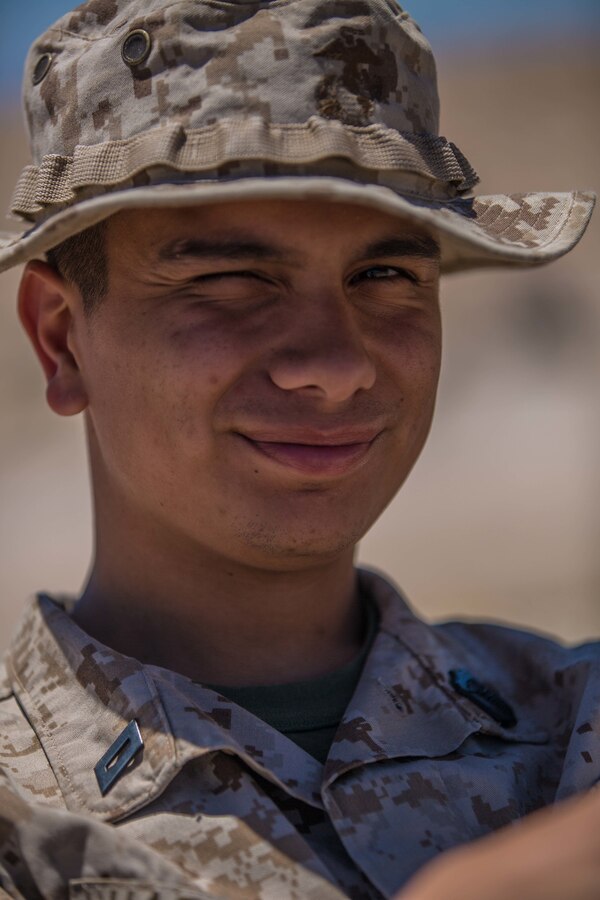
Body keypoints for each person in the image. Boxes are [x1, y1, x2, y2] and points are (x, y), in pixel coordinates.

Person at [0, 1, 598, 898]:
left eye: (385, 276)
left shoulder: (573, 732)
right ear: (62, 340)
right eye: (231, 280)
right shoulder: (24, 830)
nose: (335, 365)